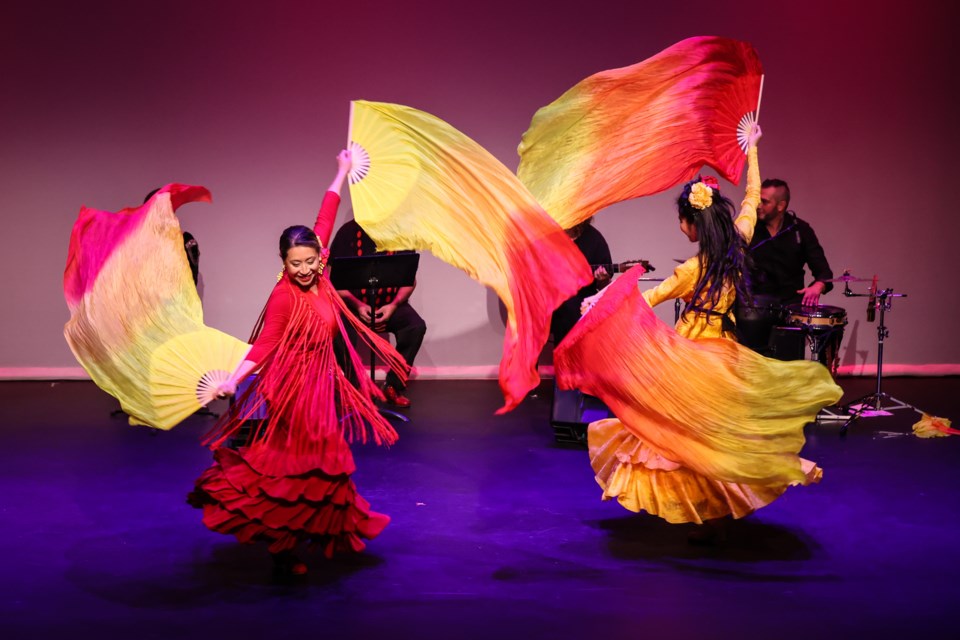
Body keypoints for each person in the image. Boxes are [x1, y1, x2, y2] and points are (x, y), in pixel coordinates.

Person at [573, 126, 838, 542]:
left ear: (692, 224)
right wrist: (752, 150)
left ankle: (693, 504)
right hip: (725, 352)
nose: (681, 228)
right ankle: (713, 503)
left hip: (690, 353)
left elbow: (647, 300)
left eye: (682, 222)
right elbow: (751, 199)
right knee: (712, 432)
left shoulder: (690, 270)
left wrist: (598, 306)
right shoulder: (739, 244)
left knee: (674, 432)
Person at [188, 150, 409, 576]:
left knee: (316, 456)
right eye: (296, 264)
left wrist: (341, 171)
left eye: (311, 261)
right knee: (304, 458)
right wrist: (233, 380)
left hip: (319, 379)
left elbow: (324, 215)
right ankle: (284, 545)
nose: (306, 269)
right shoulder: (283, 296)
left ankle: (314, 530)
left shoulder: (319, 267)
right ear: (282, 263)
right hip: (290, 384)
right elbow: (264, 346)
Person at [329, 218, 426, 408]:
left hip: (389, 305)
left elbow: (409, 281)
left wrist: (393, 305)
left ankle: (393, 386)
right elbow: (333, 280)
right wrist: (357, 305)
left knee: (415, 326)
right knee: (336, 327)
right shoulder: (347, 233)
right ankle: (354, 388)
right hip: (353, 307)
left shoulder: (401, 232)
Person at [737, 178, 834, 353]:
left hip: (790, 312)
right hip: (754, 311)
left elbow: (824, 271)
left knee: (788, 367)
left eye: (764, 202)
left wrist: (818, 286)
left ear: (781, 206)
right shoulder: (748, 229)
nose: (758, 205)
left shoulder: (800, 231)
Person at [551, 219, 612, 343]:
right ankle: (527, 362)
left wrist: (603, 280)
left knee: (570, 307)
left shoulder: (594, 239)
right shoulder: (548, 235)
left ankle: (567, 360)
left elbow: (603, 286)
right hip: (547, 296)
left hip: (577, 300)